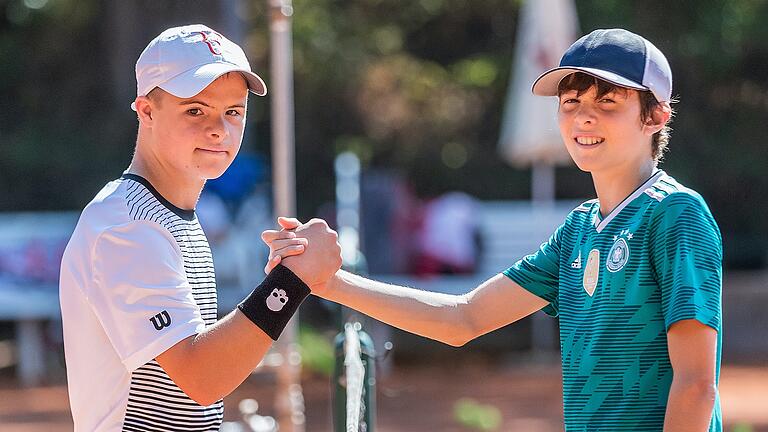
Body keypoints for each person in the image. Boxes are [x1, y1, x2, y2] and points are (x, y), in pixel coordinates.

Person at [264, 29, 722, 431]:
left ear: (655, 116)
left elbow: (697, 383)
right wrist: (327, 282)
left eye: (608, 102)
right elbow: (463, 318)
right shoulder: (579, 229)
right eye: (571, 102)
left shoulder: (676, 214)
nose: (584, 117)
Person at [59, 24, 341, 431]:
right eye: (195, 109)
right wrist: (290, 281)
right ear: (147, 111)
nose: (218, 129)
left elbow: (186, 406)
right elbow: (201, 378)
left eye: (233, 112)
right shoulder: (127, 225)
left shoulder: (170, 214)